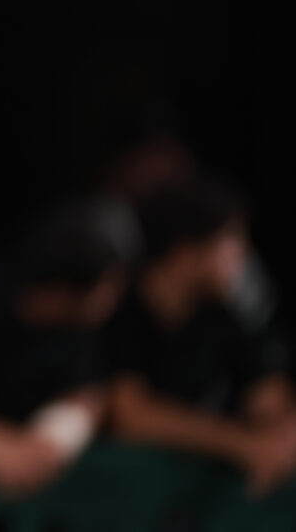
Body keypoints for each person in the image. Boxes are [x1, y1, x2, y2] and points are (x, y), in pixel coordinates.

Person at [0, 202, 129, 498]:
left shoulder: (77, 329)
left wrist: (57, 436)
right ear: (67, 288)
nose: (118, 295)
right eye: (112, 282)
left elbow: (87, 393)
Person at [106, 178, 296, 497]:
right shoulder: (116, 311)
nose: (243, 256)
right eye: (232, 239)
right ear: (186, 253)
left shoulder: (219, 316)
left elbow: (268, 397)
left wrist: (283, 438)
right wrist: (240, 444)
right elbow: (130, 415)